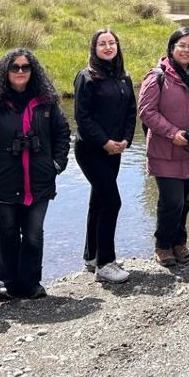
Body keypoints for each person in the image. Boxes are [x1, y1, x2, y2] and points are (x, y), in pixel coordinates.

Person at [0, 48, 70, 300]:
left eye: (25, 67)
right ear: (5, 71)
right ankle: (6, 282)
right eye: (14, 67)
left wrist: (57, 164)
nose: (20, 71)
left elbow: (63, 134)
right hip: (2, 180)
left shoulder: (47, 102)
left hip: (39, 179)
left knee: (33, 233)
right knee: (7, 230)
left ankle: (31, 283)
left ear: (33, 71)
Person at [138, 27, 189, 267]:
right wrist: (173, 133)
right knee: (171, 201)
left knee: (184, 200)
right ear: (172, 48)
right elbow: (146, 111)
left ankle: (179, 244)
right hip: (165, 152)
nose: (186, 50)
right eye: (181, 45)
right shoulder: (157, 76)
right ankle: (162, 246)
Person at [74, 29, 137, 283]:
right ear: (94, 48)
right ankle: (106, 264)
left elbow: (131, 111)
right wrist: (104, 142)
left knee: (98, 201)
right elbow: (82, 117)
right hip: (91, 150)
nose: (108, 47)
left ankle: (91, 256)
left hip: (116, 150)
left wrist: (125, 140)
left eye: (112, 43)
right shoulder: (86, 77)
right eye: (103, 44)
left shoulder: (124, 77)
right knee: (112, 202)